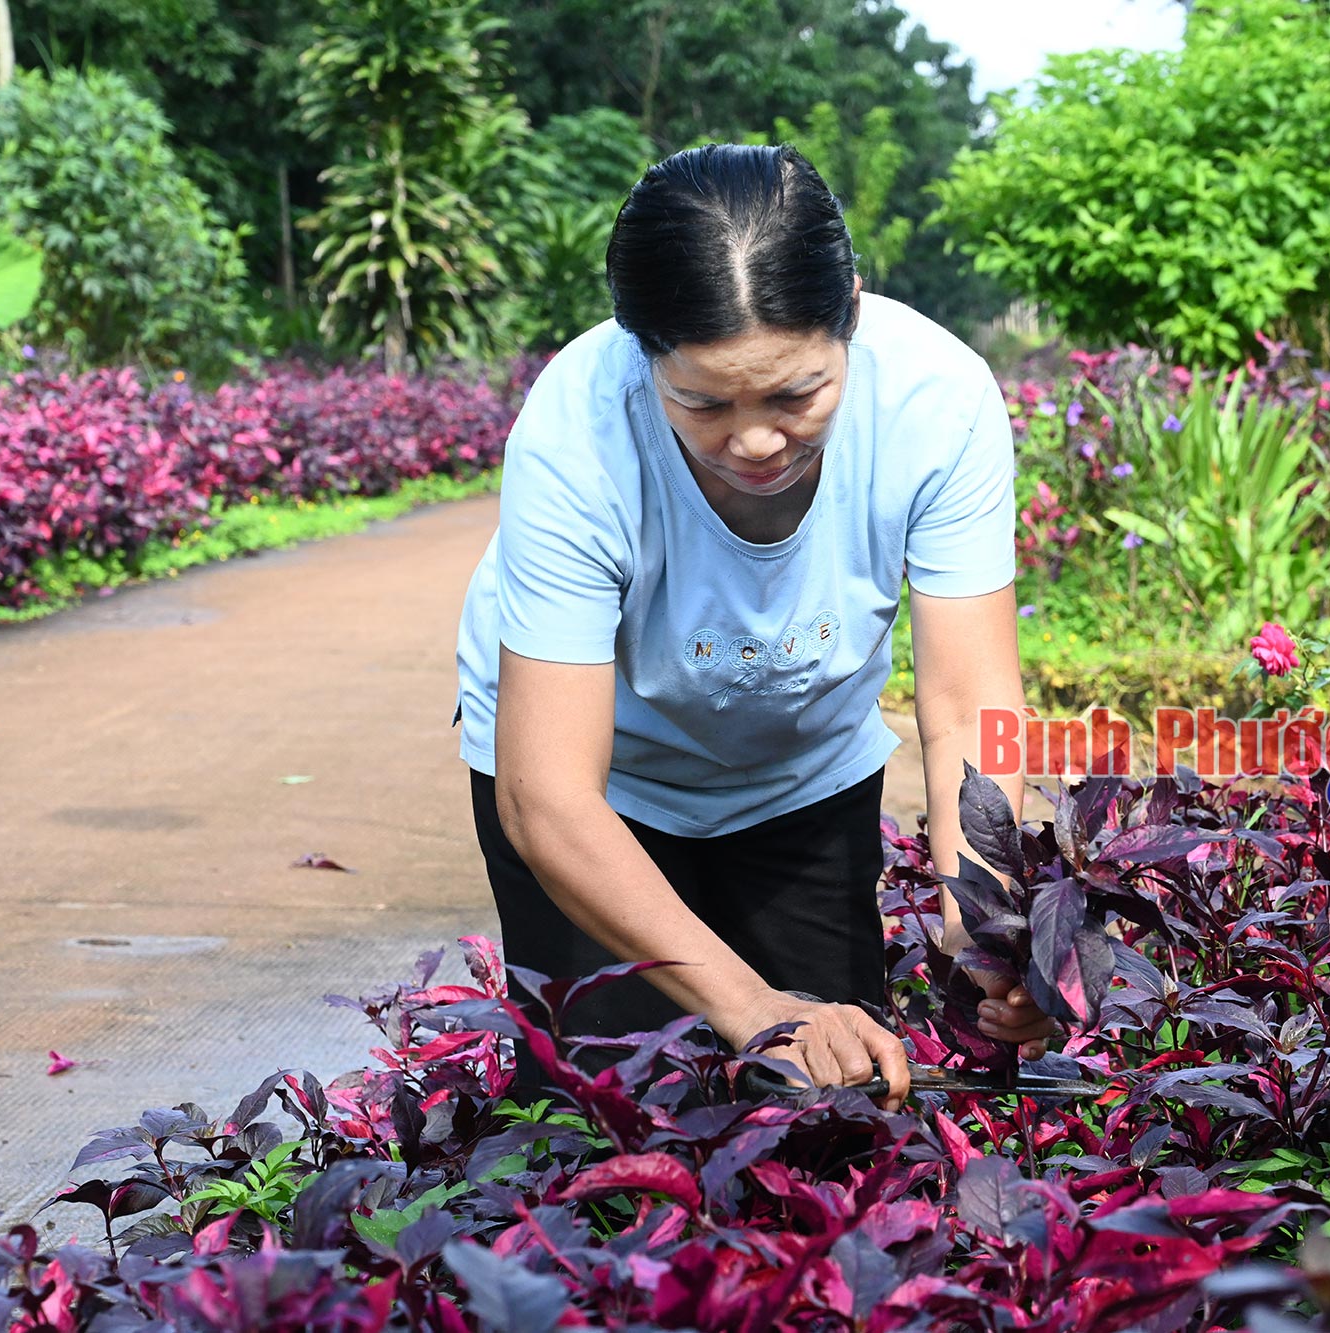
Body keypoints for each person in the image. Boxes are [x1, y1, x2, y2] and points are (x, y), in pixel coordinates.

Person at [452, 143, 1056, 1114]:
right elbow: (548, 792)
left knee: (836, 1106)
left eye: (794, 394)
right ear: (639, 352)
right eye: (700, 401)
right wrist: (751, 1007)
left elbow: (966, 703)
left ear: (848, 311)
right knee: (600, 1122)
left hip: (801, 775)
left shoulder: (935, 403)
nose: (755, 440)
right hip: (596, 789)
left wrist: (980, 925)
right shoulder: (578, 428)